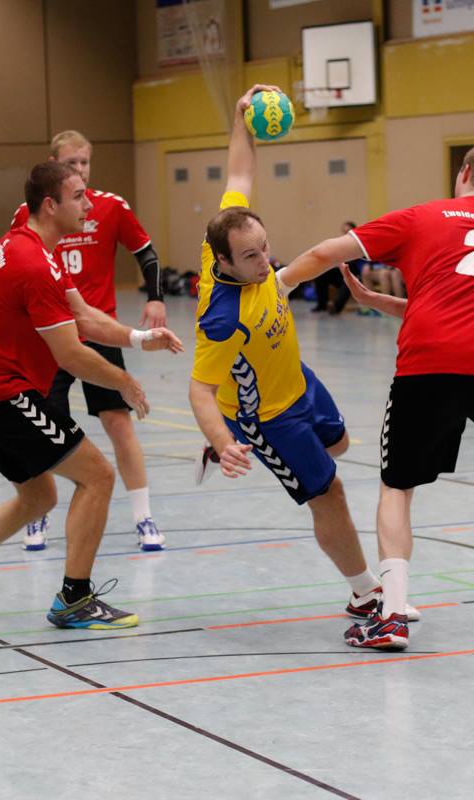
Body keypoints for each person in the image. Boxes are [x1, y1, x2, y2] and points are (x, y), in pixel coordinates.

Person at [279, 141, 474, 651]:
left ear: (464, 172)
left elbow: (325, 255)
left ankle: (391, 616)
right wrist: (380, 300)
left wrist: (277, 285)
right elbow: (469, 305)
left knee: (398, 485)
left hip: (428, 362)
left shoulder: (423, 216)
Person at [0, 161, 183, 630]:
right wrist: (124, 381)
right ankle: (75, 599)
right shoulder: (34, 263)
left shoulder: (31, 245)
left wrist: (139, 339)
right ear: (50, 205)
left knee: (37, 497)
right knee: (98, 476)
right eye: (78, 196)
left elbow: (83, 316)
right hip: (1, 397)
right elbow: (70, 354)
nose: (89, 205)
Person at [189, 85, 419, 624]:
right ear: (223, 261)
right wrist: (221, 440)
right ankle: (365, 594)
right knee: (328, 492)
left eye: (265, 247)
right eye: (250, 256)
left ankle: (248, 442)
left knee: (339, 443)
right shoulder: (222, 318)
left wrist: (242, 117)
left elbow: (239, 174)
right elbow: (199, 389)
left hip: (297, 380)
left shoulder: (232, 234)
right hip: (267, 416)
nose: (263, 260)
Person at [10, 130, 169, 552]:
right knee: (43, 429)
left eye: (85, 162)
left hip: (99, 331)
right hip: (51, 336)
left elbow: (147, 252)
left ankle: (143, 516)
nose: (80, 170)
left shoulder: (110, 206)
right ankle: (37, 512)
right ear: (53, 165)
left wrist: (155, 298)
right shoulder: (30, 214)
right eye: (71, 164)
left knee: (119, 423)